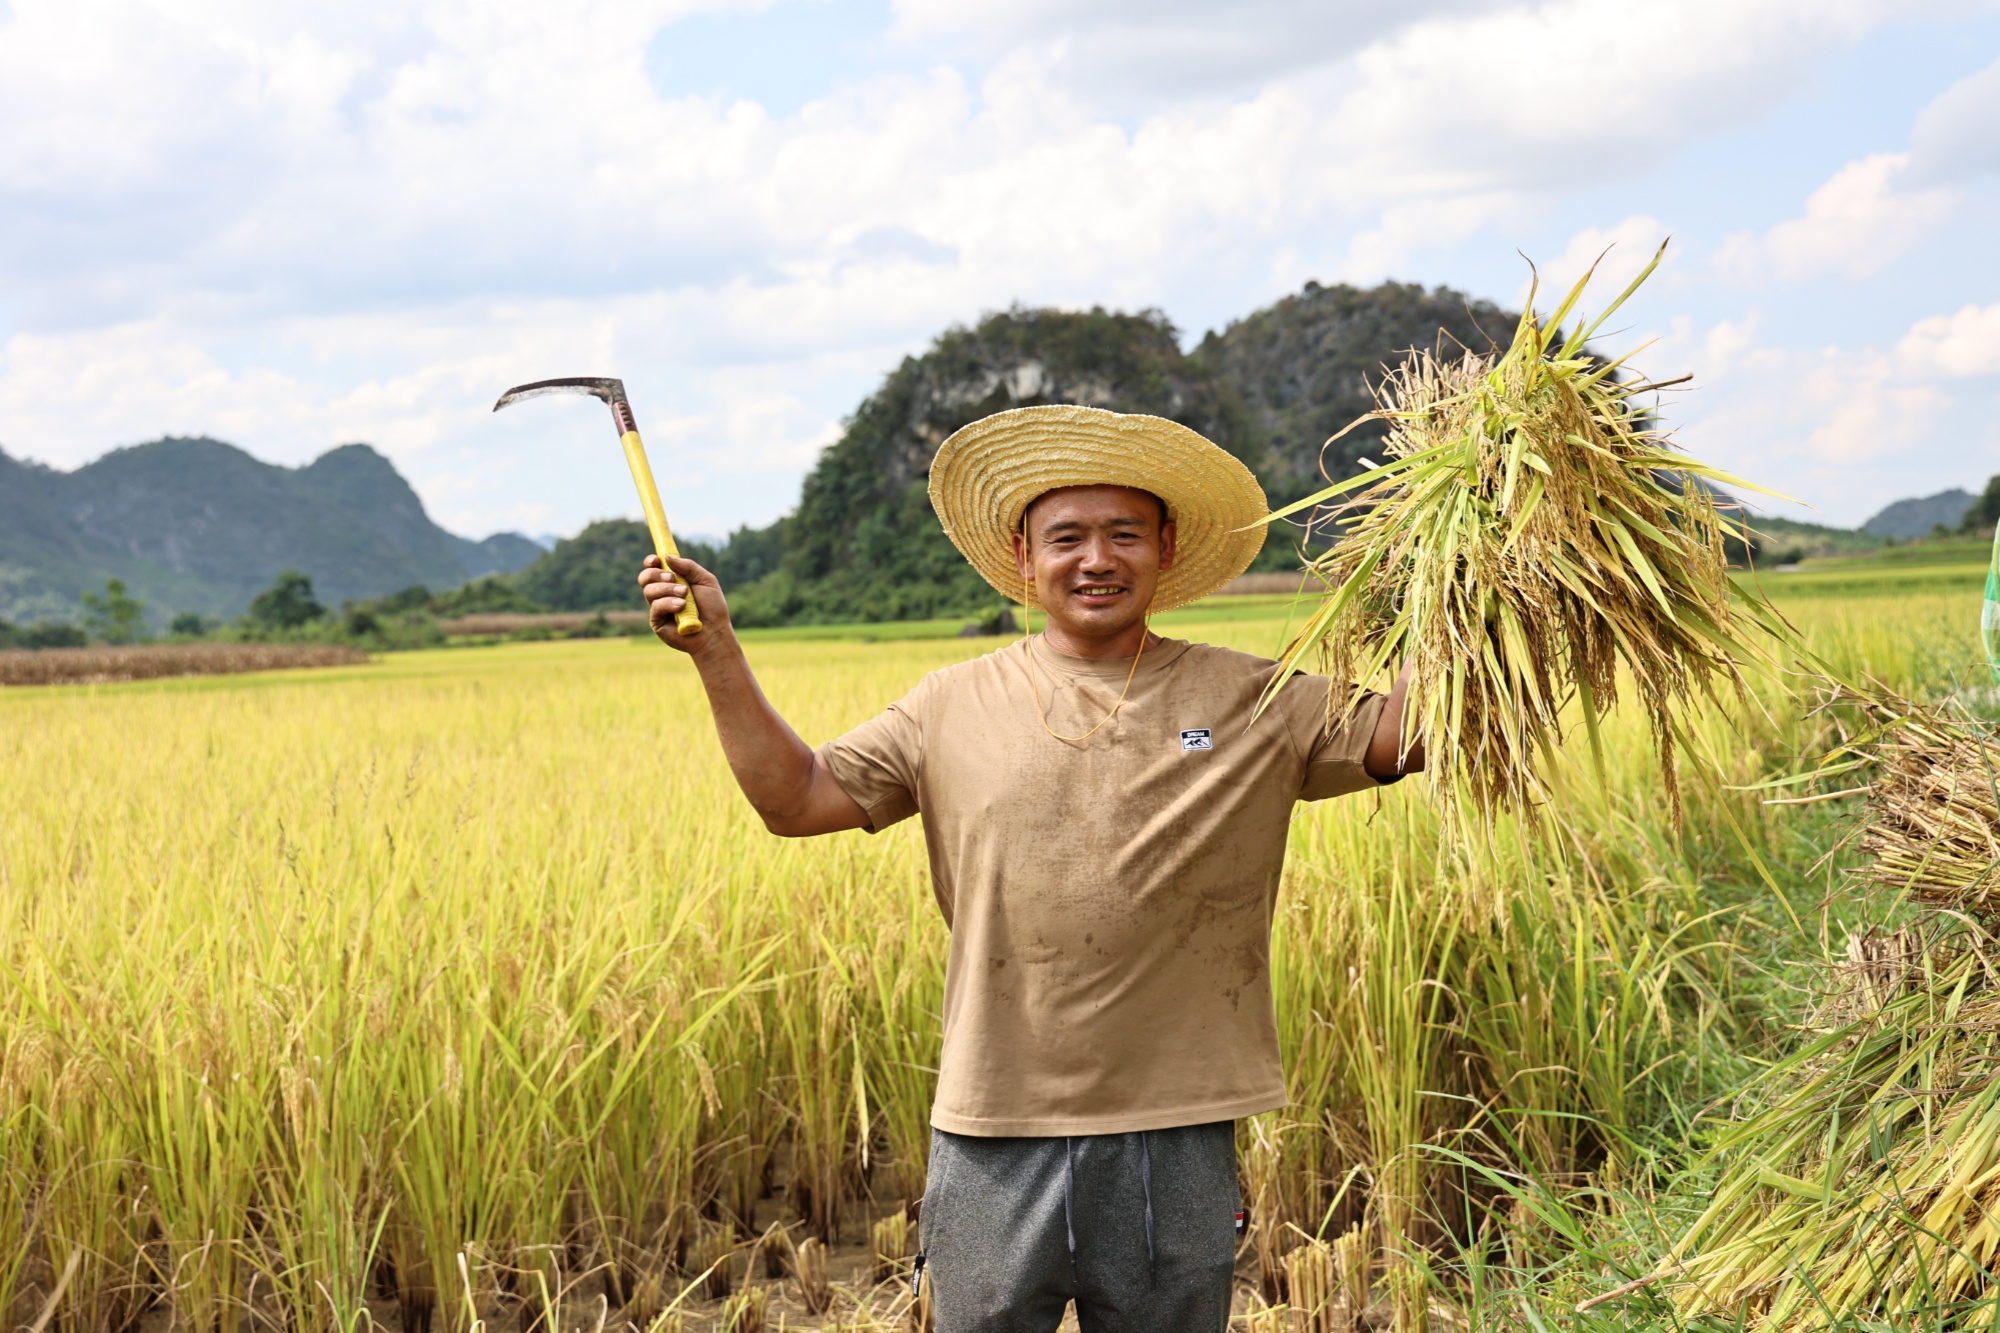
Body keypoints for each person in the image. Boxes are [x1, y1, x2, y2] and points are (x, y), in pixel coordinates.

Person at [638, 404, 1422, 1333]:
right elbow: (797, 798)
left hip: (1175, 1127)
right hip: (994, 1126)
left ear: (1165, 550)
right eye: (1068, 537)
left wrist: (1477, 558)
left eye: (1124, 534)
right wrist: (715, 651)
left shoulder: (1252, 698)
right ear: (1023, 555)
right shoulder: (949, 706)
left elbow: (1411, 729)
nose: (1097, 559)